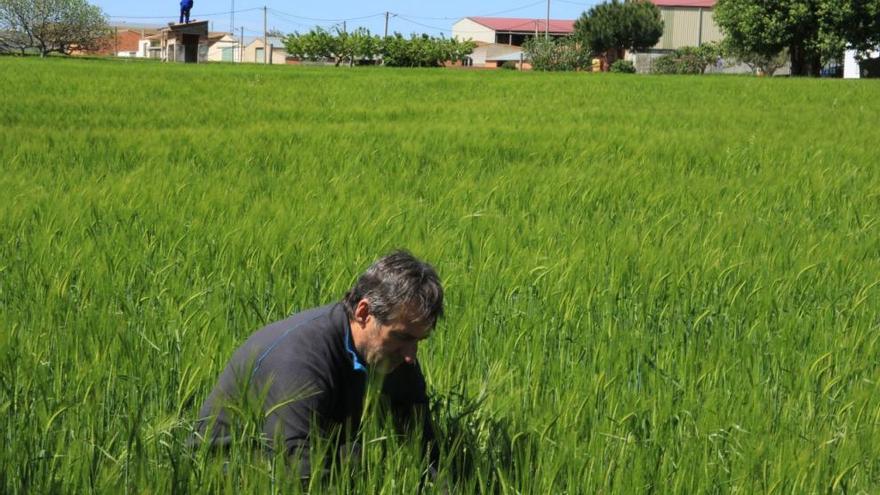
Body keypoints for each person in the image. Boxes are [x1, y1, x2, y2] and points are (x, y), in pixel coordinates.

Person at [192, 250, 443, 478]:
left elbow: (422, 446)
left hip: (319, 453)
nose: (411, 355)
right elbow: (298, 471)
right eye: (402, 336)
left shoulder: (396, 355)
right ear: (363, 313)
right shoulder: (300, 362)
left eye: (419, 340)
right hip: (237, 469)